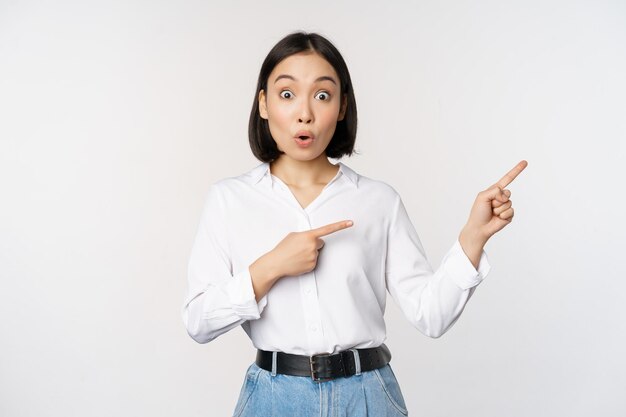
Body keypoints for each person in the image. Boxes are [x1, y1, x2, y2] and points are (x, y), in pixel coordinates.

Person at [181, 31, 527, 417]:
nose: (305, 113)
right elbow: (198, 322)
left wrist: (473, 236)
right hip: (273, 400)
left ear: (342, 107)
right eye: (287, 94)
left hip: (368, 396)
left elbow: (432, 316)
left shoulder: (378, 201)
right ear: (263, 104)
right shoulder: (230, 200)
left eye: (323, 95)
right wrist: (272, 266)